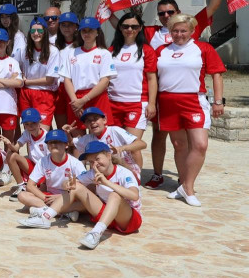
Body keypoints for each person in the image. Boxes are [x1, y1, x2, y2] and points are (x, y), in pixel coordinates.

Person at [150, 13, 225, 206]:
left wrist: (218, 101)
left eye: (183, 30)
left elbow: (217, 74)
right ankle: (183, 184)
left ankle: (187, 187)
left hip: (194, 100)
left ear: (192, 31)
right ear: (170, 32)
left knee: (200, 145)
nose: (179, 34)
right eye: (175, 30)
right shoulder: (161, 51)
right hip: (167, 102)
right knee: (179, 145)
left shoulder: (203, 48)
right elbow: (152, 79)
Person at [20, 141, 142, 250]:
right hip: (105, 215)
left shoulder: (124, 173)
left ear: (109, 156)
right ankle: (45, 217)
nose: (95, 164)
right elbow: (72, 183)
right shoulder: (92, 173)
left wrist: (106, 182)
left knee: (114, 196)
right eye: (91, 161)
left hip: (127, 219)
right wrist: (67, 184)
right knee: (76, 186)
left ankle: (95, 233)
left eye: (98, 159)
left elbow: (134, 195)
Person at [13, 128, 85, 219]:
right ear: (47, 146)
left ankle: (45, 210)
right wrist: (44, 198)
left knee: (85, 202)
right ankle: (64, 212)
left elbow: (84, 186)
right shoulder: (43, 161)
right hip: (49, 196)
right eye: (50, 142)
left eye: (57, 142)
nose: (53, 145)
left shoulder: (75, 163)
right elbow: (30, 185)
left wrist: (61, 197)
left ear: (66, 145)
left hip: (69, 196)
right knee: (22, 195)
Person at [107, 11, 157, 139]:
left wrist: (151, 104)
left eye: (134, 27)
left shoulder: (146, 50)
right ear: (120, 27)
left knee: (131, 146)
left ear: (140, 28)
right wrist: (108, 10)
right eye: (126, 26)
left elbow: (152, 79)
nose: (130, 29)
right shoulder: (111, 51)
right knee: (113, 145)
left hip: (136, 103)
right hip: (113, 102)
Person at [61, 17, 117, 129]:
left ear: (97, 32)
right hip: (75, 99)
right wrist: (75, 101)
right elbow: (67, 79)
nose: (87, 34)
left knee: (99, 137)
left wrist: (84, 100)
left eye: (90, 30)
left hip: (97, 97)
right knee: (77, 137)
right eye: (84, 31)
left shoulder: (104, 53)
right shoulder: (72, 52)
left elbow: (105, 81)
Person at [69, 107, 146, 178]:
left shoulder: (114, 130)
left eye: (95, 119)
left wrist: (122, 148)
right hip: (104, 175)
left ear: (104, 120)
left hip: (126, 171)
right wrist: (66, 133)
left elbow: (142, 144)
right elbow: (70, 142)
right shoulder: (88, 138)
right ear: (85, 125)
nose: (92, 122)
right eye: (88, 121)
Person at [17, 18, 60, 129]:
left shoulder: (53, 51)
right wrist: (20, 75)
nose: (36, 34)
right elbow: (16, 66)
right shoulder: (24, 49)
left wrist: (27, 81)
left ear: (45, 32)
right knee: (29, 131)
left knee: (42, 131)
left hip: (44, 93)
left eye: (39, 31)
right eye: (33, 31)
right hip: (26, 94)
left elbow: (49, 80)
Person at [3, 108, 50, 194]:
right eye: (27, 124)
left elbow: (51, 161)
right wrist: (9, 144)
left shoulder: (47, 137)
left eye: (33, 123)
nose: (30, 126)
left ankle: (35, 184)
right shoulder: (27, 133)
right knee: (11, 155)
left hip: (45, 170)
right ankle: (21, 186)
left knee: (41, 191)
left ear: (40, 122)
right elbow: (16, 148)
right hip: (34, 166)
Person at [53, 12, 80, 128]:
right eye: (63, 25)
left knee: (76, 126)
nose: (66, 28)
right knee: (62, 126)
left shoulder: (81, 46)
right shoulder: (54, 45)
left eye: (70, 25)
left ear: (76, 27)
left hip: (74, 88)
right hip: (58, 88)